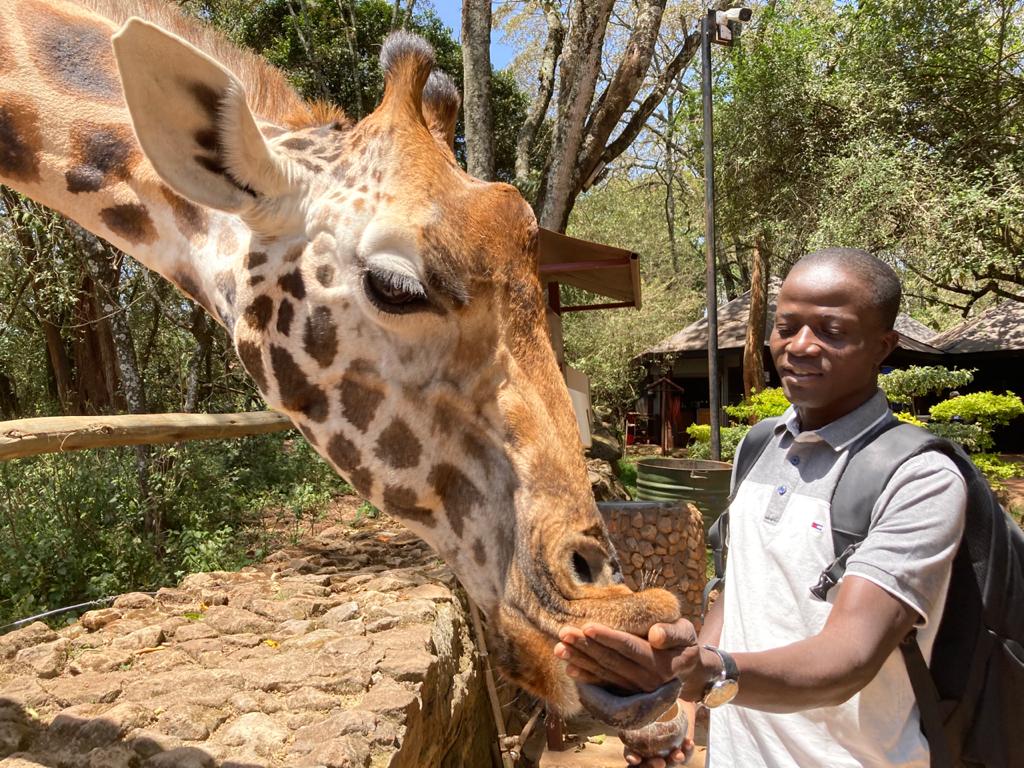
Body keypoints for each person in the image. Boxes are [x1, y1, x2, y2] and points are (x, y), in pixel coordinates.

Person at [555, 248, 967, 768]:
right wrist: (681, 701)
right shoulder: (759, 444)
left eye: (831, 330)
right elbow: (740, 588)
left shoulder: (918, 478)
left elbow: (849, 660)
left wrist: (706, 671)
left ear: (883, 346)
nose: (799, 346)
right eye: (786, 326)